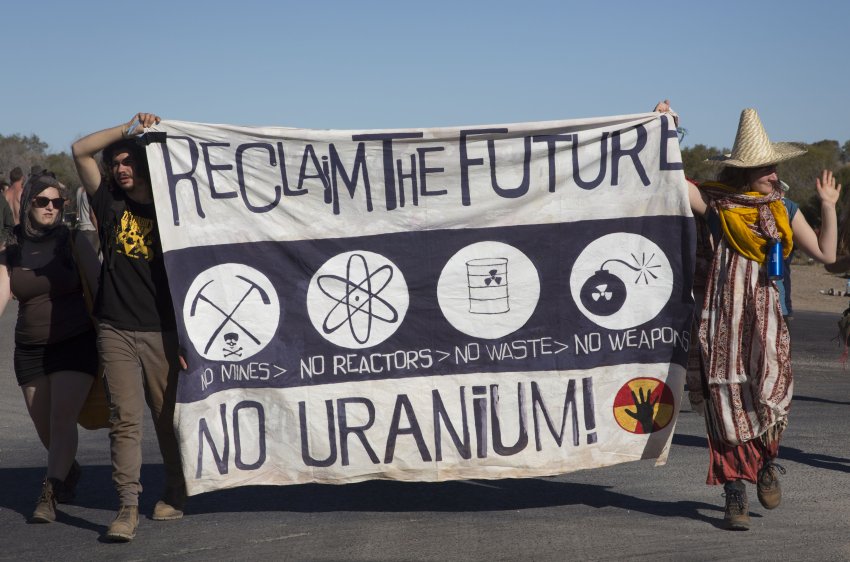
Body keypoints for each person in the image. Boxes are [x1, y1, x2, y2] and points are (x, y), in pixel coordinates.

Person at [658, 102, 841, 531]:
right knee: (724, 404)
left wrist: (828, 205)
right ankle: (733, 494)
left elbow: (828, 255)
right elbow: (672, 180)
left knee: (768, 396)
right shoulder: (719, 205)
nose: (774, 174)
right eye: (765, 169)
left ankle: (766, 465)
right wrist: (665, 127)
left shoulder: (786, 210)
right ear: (744, 172)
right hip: (722, 322)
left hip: (770, 322)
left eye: (774, 167)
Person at [72, 112, 186, 542]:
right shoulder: (106, 200)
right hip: (115, 326)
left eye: (127, 162)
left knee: (166, 417)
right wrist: (127, 130)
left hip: (163, 328)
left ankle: (176, 488)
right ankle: (127, 507)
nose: (120, 170)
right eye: (115, 163)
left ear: (142, 165)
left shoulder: (172, 204)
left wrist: (157, 137)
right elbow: (79, 150)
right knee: (125, 419)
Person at [0, 172, 100, 523]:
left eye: (57, 203)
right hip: (29, 349)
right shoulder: (11, 249)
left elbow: (101, 289)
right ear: (28, 202)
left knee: (61, 420)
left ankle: (49, 492)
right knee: (46, 428)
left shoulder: (74, 242)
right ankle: (67, 469)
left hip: (75, 342)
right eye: (43, 201)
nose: (50, 208)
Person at [74, 185, 99, 255]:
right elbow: (92, 215)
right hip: (91, 228)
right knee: (93, 257)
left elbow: (77, 211)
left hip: (81, 227)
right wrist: (98, 230)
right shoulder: (90, 191)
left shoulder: (79, 190)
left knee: (84, 257)